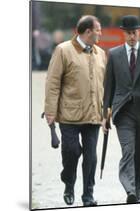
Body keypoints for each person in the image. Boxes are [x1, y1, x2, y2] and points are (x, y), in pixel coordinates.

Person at [44, 15, 106, 206]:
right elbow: (53, 83)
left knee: (91, 158)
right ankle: (69, 183)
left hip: (94, 115)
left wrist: (107, 113)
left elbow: (106, 85)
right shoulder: (63, 50)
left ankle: (88, 195)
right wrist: (50, 111)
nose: (100, 33)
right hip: (69, 115)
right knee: (71, 152)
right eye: (98, 30)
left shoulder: (101, 53)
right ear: (88, 32)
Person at [102, 15, 140, 203]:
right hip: (123, 113)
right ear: (123, 33)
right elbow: (108, 86)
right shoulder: (113, 54)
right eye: (128, 33)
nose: (131, 36)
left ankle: (137, 192)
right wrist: (105, 114)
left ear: (139, 32)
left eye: (134, 32)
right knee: (128, 151)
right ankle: (130, 190)